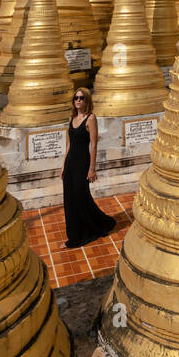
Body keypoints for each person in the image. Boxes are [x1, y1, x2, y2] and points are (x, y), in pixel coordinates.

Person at [59, 87, 118, 248]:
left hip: (83, 163)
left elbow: (93, 146)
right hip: (70, 163)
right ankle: (74, 235)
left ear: (87, 100)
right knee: (69, 199)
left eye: (81, 98)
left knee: (81, 197)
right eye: (75, 98)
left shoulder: (91, 119)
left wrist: (92, 169)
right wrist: (63, 165)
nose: (78, 100)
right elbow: (69, 144)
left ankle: (96, 226)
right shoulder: (72, 118)